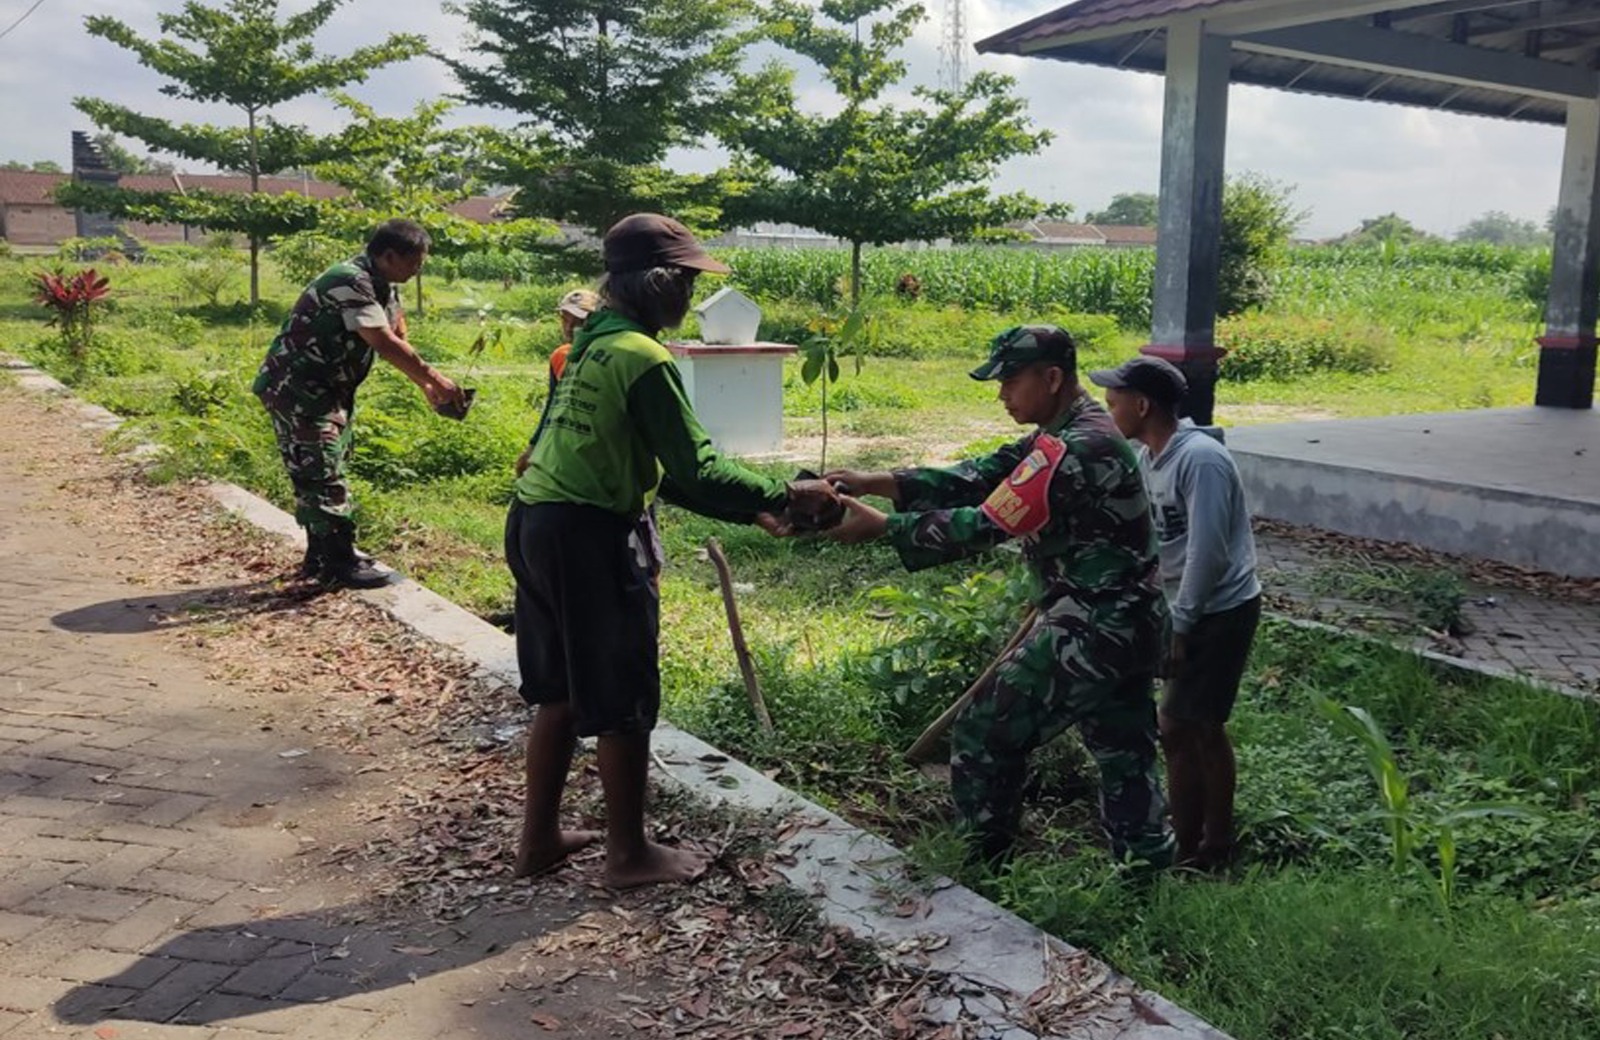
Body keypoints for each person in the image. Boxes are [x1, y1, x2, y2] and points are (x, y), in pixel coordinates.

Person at [506, 213, 838, 889]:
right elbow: (697, 468)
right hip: (588, 538)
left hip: (536, 522)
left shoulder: (590, 346)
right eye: (686, 282)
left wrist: (753, 507)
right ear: (660, 285)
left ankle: (537, 839)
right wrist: (786, 494)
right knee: (622, 693)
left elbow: (651, 465)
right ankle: (629, 856)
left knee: (563, 692)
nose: (690, 297)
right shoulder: (643, 357)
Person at [823, 326, 1173, 867]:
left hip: (1095, 625)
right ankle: (1147, 872)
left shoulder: (1080, 447)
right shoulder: (1062, 432)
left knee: (986, 729)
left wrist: (887, 529)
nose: (1002, 394)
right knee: (1124, 754)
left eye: (1010, 380)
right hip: (1125, 622)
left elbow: (989, 523)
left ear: (1052, 378)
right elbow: (983, 475)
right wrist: (879, 481)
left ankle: (984, 864)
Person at [1090, 357, 1261, 870]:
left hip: (1219, 609)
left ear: (1142, 405)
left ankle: (1203, 848)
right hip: (1183, 607)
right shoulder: (1150, 458)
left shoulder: (1201, 460)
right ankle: (1202, 841)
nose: (1107, 408)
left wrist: (1181, 625)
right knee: (1189, 728)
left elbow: (1208, 553)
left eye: (1114, 400)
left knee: (1185, 726)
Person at [253, 219, 465, 588]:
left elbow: (398, 335)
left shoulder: (383, 284)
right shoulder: (349, 280)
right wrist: (436, 377)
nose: (418, 271)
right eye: (414, 262)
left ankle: (320, 555)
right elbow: (380, 340)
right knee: (321, 470)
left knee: (328, 463)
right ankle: (339, 563)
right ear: (388, 255)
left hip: (329, 390)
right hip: (298, 387)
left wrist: (424, 386)